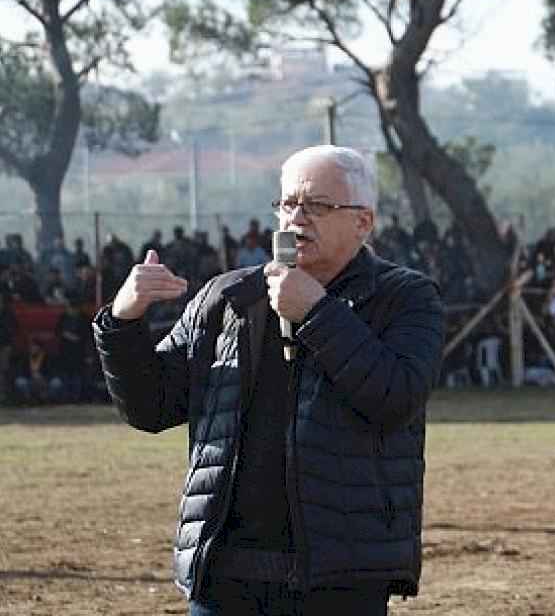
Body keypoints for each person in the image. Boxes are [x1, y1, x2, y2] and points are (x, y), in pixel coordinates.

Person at [93, 145, 445, 615]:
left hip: (341, 573)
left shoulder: (404, 297)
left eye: (317, 205)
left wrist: (316, 313)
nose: (296, 217)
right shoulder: (228, 297)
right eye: (287, 203)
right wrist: (123, 321)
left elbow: (395, 396)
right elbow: (151, 407)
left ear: (363, 222)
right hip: (225, 573)